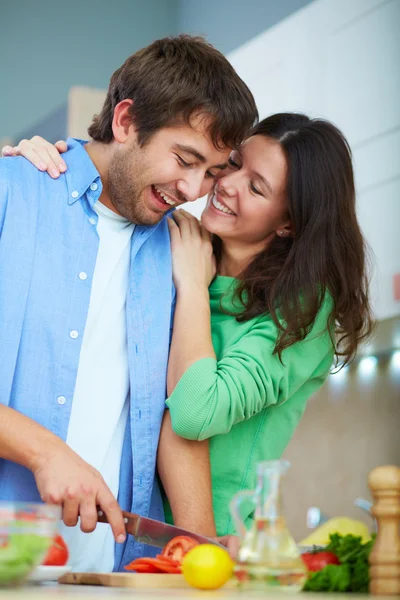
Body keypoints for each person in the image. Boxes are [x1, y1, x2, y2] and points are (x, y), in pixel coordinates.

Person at [7, 113, 374, 540]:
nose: (226, 184)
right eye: (233, 164)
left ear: (288, 222)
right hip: (132, 532)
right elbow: (114, 172)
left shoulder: (301, 314)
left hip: (214, 540)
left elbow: (193, 414)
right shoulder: (179, 240)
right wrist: (46, 160)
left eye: (256, 187)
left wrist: (193, 289)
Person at [0, 34, 258, 573]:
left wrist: (200, 551)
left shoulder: (182, 249)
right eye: (185, 158)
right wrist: (45, 452)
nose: (192, 188)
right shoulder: (11, 193)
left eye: (211, 172)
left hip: (111, 572)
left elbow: (174, 419)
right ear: (125, 121)